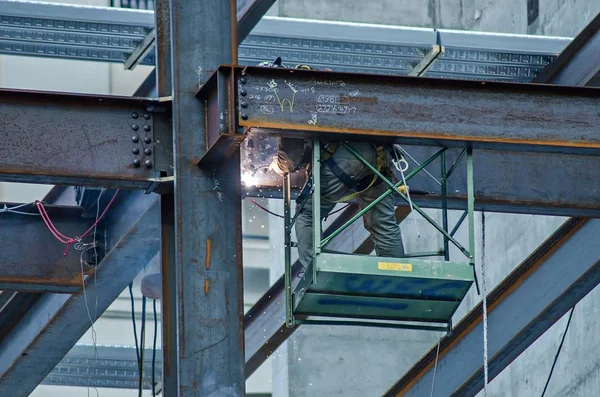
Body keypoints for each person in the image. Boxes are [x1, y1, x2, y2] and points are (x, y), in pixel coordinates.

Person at [269, 137, 406, 268]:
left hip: (345, 156)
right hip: (379, 155)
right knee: (382, 224)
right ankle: (396, 275)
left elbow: (291, 155)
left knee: (307, 215)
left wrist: (281, 165)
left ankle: (314, 275)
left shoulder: (291, 111)